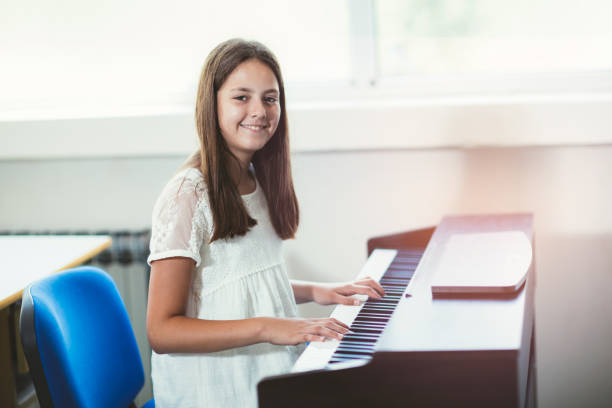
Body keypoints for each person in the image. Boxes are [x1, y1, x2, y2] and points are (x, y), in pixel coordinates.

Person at [146, 38, 385, 408]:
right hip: (214, 391)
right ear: (212, 105)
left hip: (266, 373)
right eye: (241, 97)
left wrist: (317, 291)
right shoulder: (188, 194)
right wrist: (268, 325)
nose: (259, 110)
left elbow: (233, 284)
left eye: (270, 98)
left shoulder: (256, 177)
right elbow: (162, 331)